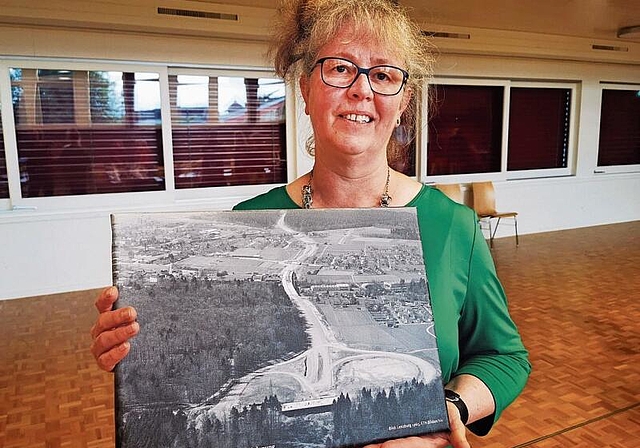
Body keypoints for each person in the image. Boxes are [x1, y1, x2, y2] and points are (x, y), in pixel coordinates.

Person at [90, 0, 531, 446]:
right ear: (305, 89)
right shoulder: (249, 222)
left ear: (404, 102)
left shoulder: (452, 225)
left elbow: (503, 357)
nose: (361, 90)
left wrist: (447, 411)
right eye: (340, 68)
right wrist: (136, 353)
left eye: (383, 75)